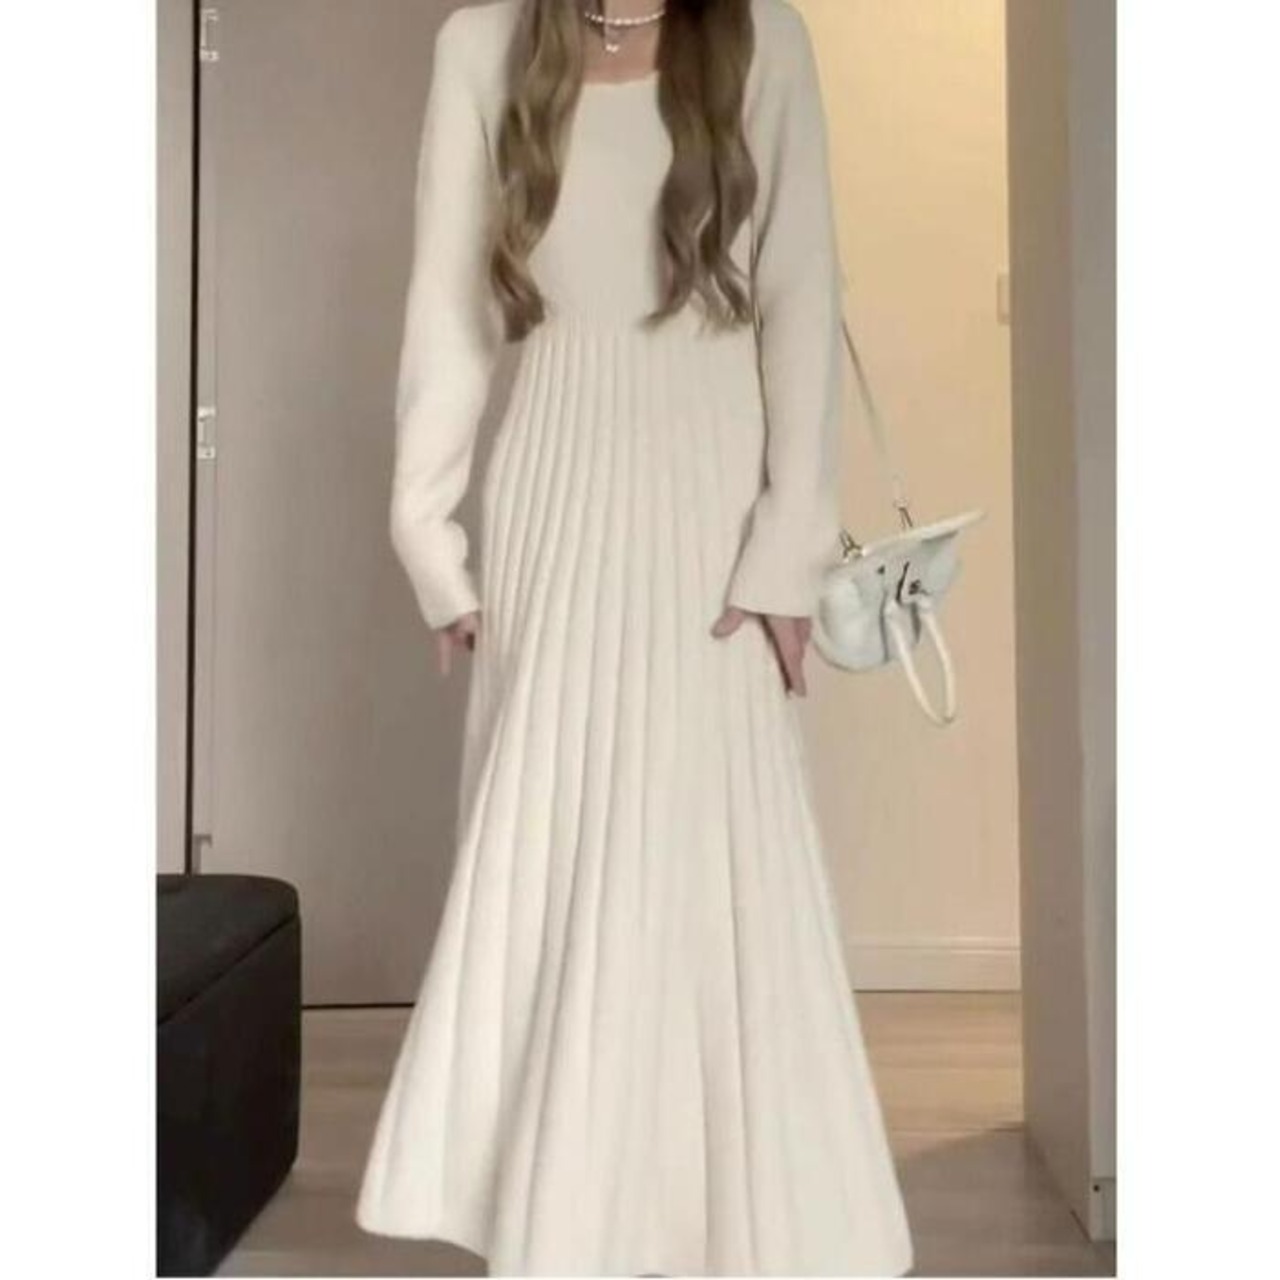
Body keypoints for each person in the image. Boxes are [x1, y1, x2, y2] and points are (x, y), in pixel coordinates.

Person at [355, 1, 913, 1274]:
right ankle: (567, 1224)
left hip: (711, 491)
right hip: (554, 474)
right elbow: (447, 302)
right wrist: (426, 533)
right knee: (555, 843)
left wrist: (786, 542)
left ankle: (732, 1230)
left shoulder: (760, 36)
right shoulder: (478, 46)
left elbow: (800, 291)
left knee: (711, 845)